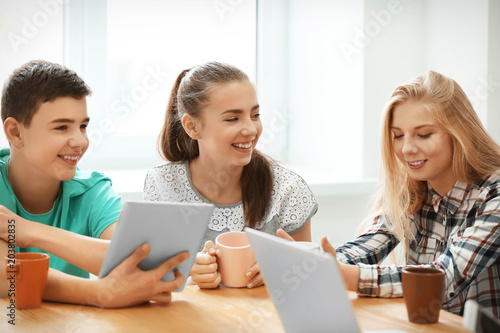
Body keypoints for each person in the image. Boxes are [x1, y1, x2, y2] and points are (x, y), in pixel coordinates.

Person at [281, 70, 500, 318]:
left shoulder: (494, 196)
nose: (407, 148)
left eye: (424, 134)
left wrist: (348, 277)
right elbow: (368, 245)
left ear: (460, 133)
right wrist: (314, 263)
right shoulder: (412, 188)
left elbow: (444, 278)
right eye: (398, 136)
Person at [0, 60, 188, 308]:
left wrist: (29, 231)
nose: (79, 140)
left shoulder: (93, 190)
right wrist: (99, 292)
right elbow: (6, 276)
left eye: (83, 126)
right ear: (15, 132)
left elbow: (135, 261)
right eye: (61, 127)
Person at [143, 61, 318, 289]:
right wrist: (185, 273)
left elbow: (306, 280)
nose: (251, 129)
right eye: (233, 119)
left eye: (255, 115)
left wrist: (281, 270)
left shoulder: (288, 190)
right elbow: (151, 280)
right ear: (192, 127)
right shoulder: (164, 185)